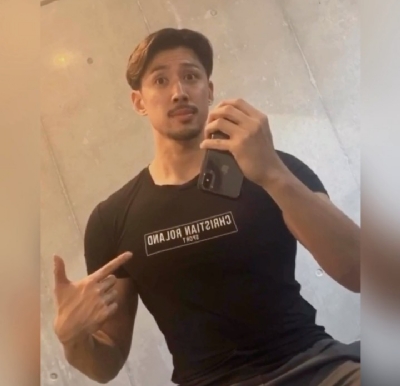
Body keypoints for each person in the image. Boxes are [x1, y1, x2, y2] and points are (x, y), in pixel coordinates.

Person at [53, 28, 361, 386]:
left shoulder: (273, 168)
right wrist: (73, 338)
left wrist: (274, 174)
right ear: (139, 102)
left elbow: (360, 272)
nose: (179, 91)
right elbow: (105, 365)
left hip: (316, 368)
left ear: (209, 90)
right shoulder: (111, 219)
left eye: (191, 76)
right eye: (160, 80)